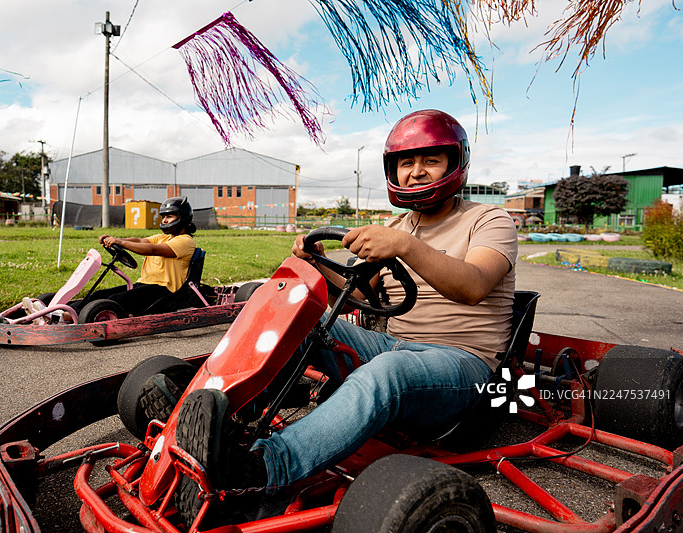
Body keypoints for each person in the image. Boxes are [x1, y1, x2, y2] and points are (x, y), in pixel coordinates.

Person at [174, 110, 518, 520]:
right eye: (406, 163)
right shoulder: (397, 225)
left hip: (465, 366)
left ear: (455, 162)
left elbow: (474, 284)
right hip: (397, 345)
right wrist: (318, 265)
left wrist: (405, 247)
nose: (416, 172)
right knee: (294, 318)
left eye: (430, 160)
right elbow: (359, 294)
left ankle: (259, 468)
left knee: (388, 371)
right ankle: (223, 424)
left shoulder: (489, 219)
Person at [75, 196, 197, 317]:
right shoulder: (162, 238)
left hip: (165, 291)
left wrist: (120, 242)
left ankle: (71, 317)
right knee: (99, 295)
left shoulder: (185, 242)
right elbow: (139, 241)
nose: (164, 220)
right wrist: (115, 239)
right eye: (164, 217)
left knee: (113, 300)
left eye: (169, 216)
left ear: (182, 217)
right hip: (145, 284)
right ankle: (65, 311)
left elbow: (153, 250)